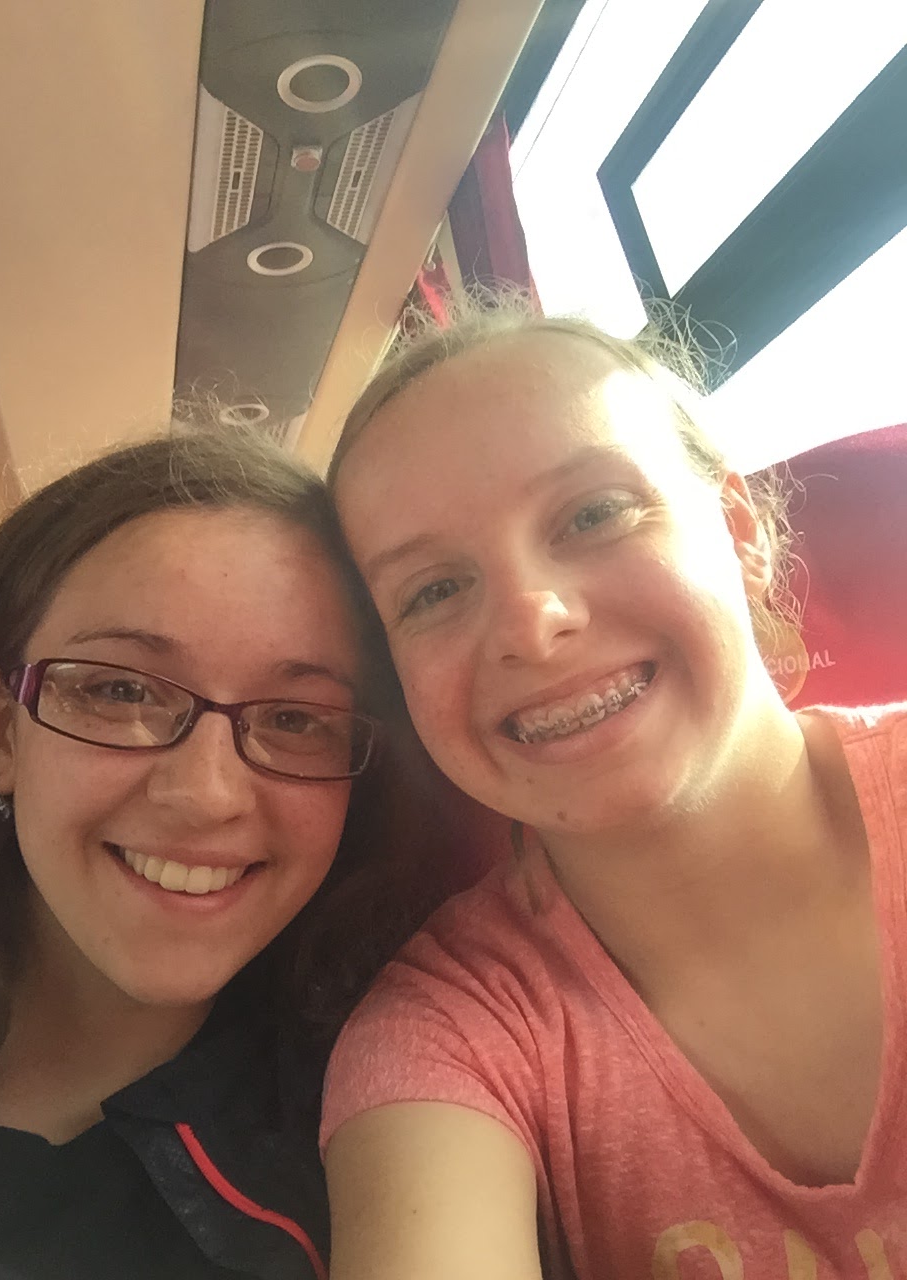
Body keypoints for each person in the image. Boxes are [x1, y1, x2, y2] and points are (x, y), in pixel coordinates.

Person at [320, 300, 907, 1279]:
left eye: (594, 514)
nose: (532, 620)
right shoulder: (446, 1032)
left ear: (740, 532)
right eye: (433, 589)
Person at [0, 427, 425, 1280]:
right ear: (1, 734)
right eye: (120, 690)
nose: (206, 794)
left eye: (295, 719)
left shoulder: (384, 1134)